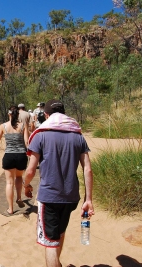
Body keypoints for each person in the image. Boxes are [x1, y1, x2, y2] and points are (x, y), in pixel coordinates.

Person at [23, 99, 94, 267]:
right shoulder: (78, 136)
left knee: (49, 242)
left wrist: (27, 185)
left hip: (49, 197)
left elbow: (31, 170)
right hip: (71, 197)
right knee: (60, 233)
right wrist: (88, 199)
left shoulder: (40, 135)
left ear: (46, 115)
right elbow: (88, 170)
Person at [0, 105, 29, 215]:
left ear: (9, 114)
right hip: (21, 156)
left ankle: (11, 208)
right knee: (19, 177)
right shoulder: (23, 125)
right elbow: (27, 142)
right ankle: (19, 197)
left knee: (9, 183)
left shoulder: (3, 126)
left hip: (9, 156)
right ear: (18, 114)